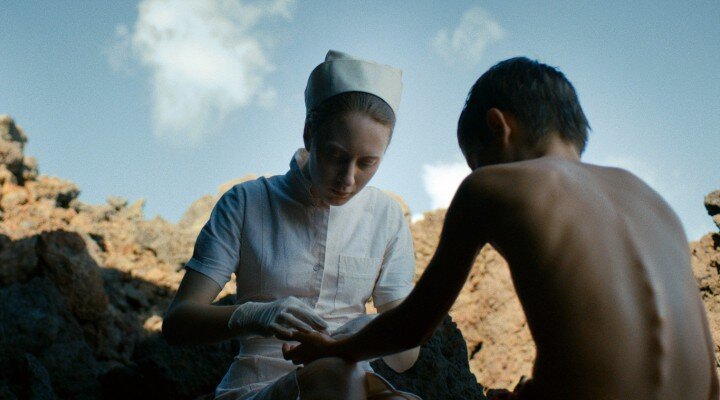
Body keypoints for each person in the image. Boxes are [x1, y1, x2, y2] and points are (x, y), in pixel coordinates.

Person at [283, 57, 720, 400]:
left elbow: (412, 326)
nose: (479, 174)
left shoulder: (492, 187)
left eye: (478, 162)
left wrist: (332, 349)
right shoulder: (652, 201)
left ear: (498, 127)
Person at [162, 50, 421, 400]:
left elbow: (405, 359)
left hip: (355, 382)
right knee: (335, 377)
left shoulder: (386, 216)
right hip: (257, 386)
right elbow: (177, 323)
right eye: (336, 156)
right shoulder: (247, 202)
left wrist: (367, 330)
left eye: (367, 163)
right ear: (308, 133)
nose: (348, 179)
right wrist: (255, 316)